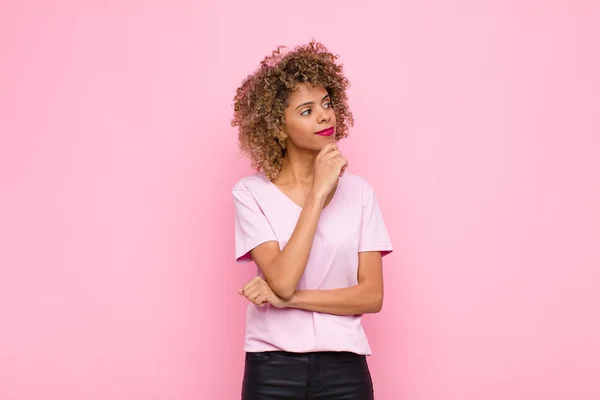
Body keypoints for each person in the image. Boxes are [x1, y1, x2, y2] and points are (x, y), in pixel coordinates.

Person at [230, 40, 393, 399]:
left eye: (327, 103)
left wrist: (289, 302)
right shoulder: (250, 193)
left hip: (344, 367)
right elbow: (283, 280)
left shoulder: (360, 193)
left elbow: (371, 295)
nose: (324, 116)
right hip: (272, 368)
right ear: (277, 127)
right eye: (306, 110)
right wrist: (319, 193)